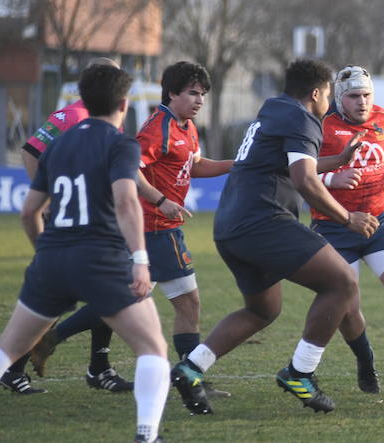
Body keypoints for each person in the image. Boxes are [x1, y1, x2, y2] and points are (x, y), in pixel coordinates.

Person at [169, 59, 379, 415]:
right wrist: (347, 219)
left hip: (231, 226)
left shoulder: (274, 109)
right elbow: (304, 181)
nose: (328, 100)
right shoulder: (301, 118)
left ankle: (191, 368)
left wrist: (339, 158)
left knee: (263, 310)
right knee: (343, 282)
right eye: (328, 93)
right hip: (263, 221)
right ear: (316, 93)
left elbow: (290, 165)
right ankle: (300, 372)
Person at [0, 64, 170, 443]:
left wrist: (45, 254)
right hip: (100, 258)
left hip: (52, 257)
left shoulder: (60, 143)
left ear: (82, 100)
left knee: (6, 348)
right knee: (152, 348)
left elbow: (28, 212)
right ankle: (147, 435)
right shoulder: (121, 143)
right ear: (124, 102)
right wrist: (140, 260)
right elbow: (125, 202)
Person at [14, 57, 133, 394]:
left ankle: (99, 367)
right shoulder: (70, 115)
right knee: (58, 289)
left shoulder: (108, 118)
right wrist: (49, 199)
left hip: (95, 217)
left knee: (103, 284)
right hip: (71, 218)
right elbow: (30, 152)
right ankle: (15, 364)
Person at [312, 66, 384, 400]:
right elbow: (297, 174)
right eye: (354, 96)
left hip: (379, 221)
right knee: (346, 304)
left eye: (367, 95)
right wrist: (332, 179)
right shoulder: (321, 127)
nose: (362, 102)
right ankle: (365, 358)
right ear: (338, 98)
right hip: (333, 225)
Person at [132, 61, 232, 398]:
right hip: (154, 227)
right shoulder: (156, 128)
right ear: (172, 92)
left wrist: (237, 164)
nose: (199, 100)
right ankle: (190, 377)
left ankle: (191, 377)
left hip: (165, 226)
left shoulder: (186, 127)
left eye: (202, 94)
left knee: (131, 301)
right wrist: (161, 201)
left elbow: (197, 165)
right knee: (185, 303)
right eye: (192, 93)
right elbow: (129, 169)